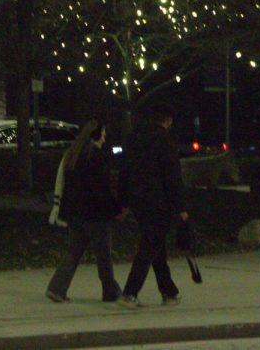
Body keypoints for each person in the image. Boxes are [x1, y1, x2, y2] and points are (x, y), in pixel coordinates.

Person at [117, 102, 187, 309]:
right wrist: (180, 206)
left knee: (155, 246)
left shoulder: (132, 140)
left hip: (139, 201)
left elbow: (125, 173)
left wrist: (124, 202)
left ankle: (169, 291)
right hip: (159, 202)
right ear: (167, 121)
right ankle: (130, 292)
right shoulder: (164, 140)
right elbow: (172, 176)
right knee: (149, 247)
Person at [45, 119, 124, 303]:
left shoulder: (73, 155)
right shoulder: (96, 157)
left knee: (73, 251)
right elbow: (102, 189)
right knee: (103, 255)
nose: (105, 137)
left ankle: (57, 288)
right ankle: (110, 290)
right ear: (96, 135)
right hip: (96, 214)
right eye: (103, 133)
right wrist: (116, 209)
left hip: (76, 213)